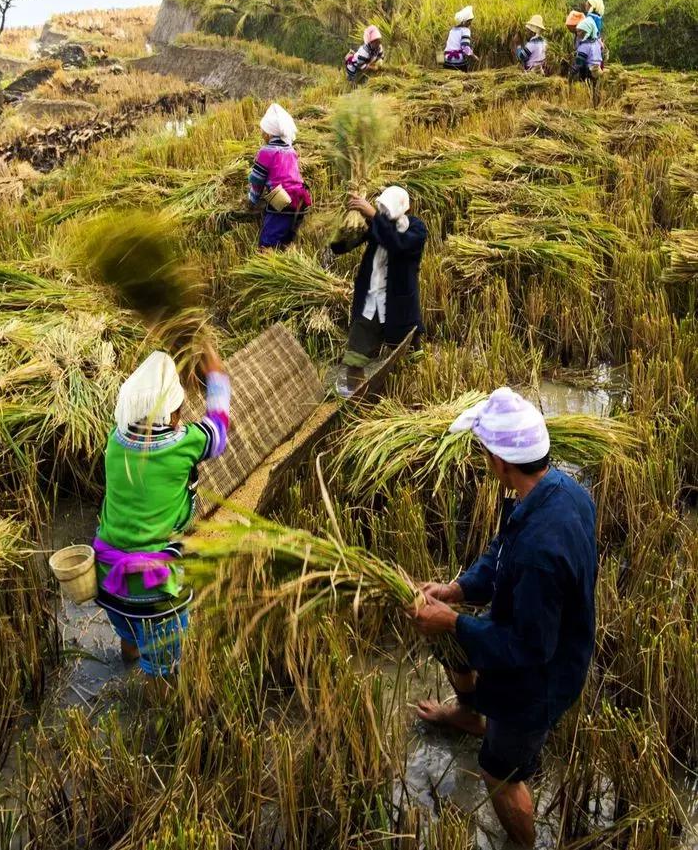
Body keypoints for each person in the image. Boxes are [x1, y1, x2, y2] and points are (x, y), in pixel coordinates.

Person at [408, 388, 597, 848]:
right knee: (453, 643)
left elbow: (528, 648)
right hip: (539, 642)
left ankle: (524, 844)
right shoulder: (560, 490)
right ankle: (473, 716)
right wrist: (459, 590)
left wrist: (454, 622)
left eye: (483, 451)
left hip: (539, 681)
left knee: (500, 771)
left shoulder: (540, 552)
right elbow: (501, 552)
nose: (482, 459)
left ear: (500, 461)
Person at [93, 346, 230, 683]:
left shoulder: (115, 442)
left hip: (108, 577)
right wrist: (216, 376)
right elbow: (219, 429)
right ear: (171, 415)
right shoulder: (184, 443)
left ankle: (129, 657)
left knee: (130, 634)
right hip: (153, 587)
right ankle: (159, 711)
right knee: (165, 669)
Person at [330, 185, 427, 392]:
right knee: (354, 359)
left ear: (406, 210)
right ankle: (358, 400)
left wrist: (374, 216)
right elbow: (339, 248)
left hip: (399, 306)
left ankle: (412, 398)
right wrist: (349, 220)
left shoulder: (416, 229)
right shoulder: (376, 226)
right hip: (370, 304)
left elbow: (397, 244)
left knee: (410, 360)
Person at [248, 103, 311, 251]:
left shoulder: (266, 151)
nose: (261, 133)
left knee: (267, 245)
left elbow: (257, 181)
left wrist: (252, 200)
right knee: (286, 241)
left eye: (263, 131)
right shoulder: (290, 150)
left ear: (269, 134)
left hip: (283, 201)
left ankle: (266, 269)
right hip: (301, 200)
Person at [571, 16, 604, 105]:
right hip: (598, 69)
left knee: (586, 88)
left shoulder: (584, 46)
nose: (577, 33)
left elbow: (579, 63)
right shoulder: (596, 42)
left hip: (588, 72)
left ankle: (586, 102)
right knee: (596, 90)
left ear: (586, 32)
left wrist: (571, 73)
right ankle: (596, 104)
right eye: (577, 31)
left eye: (580, 31)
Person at [443, 6, 475, 71]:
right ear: (465, 21)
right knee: (463, 79)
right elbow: (465, 47)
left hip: (446, 60)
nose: (470, 23)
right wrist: (474, 56)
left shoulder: (452, 30)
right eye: (469, 21)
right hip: (457, 61)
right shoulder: (465, 30)